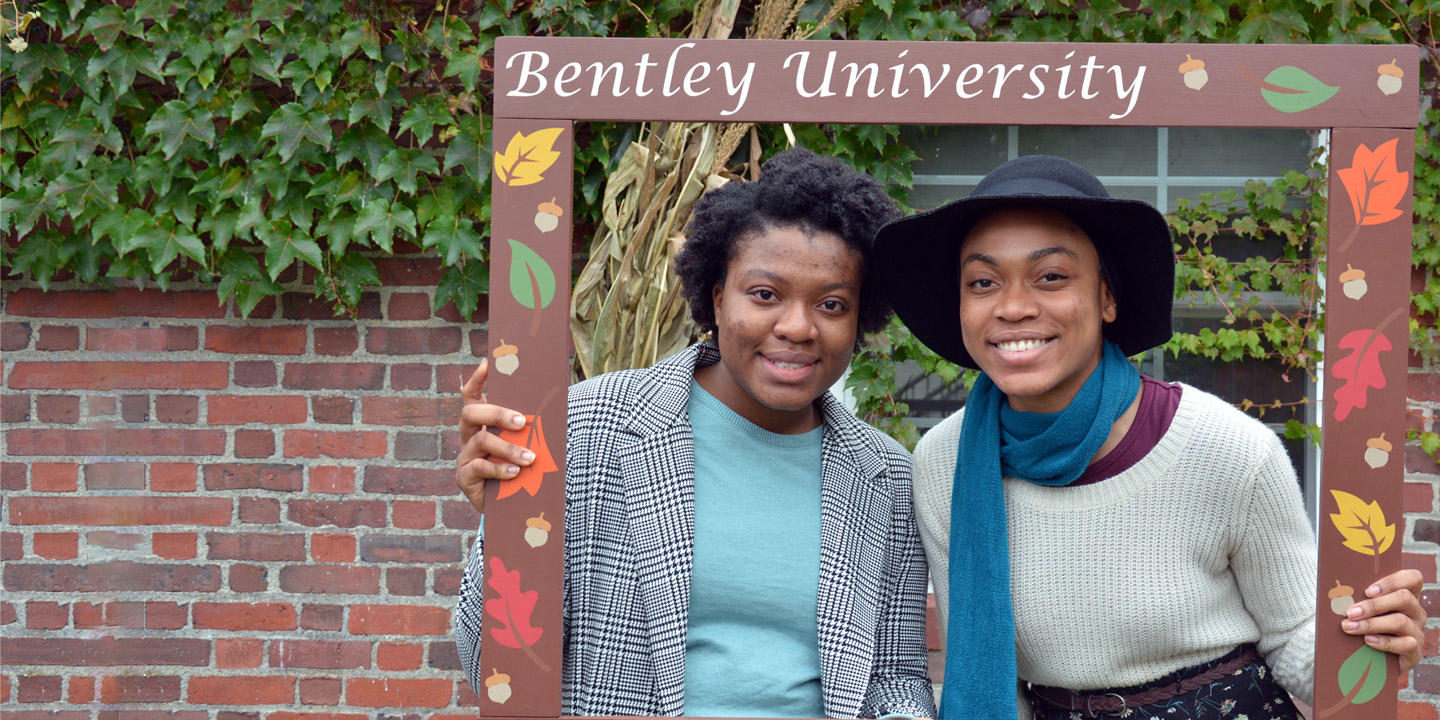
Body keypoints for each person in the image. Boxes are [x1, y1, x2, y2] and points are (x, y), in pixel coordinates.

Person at [872, 154, 1428, 720]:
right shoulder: (946, 463)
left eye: (1051, 277)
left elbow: (1293, 639)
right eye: (983, 282)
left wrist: (1374, 642)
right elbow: (994, 678)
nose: (1013, 307)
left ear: (1107, 297)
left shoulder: (1229, 450)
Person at [452, 148, 937, 718]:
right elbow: (491, 661)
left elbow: (895, 678)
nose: (797, 327)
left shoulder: (886, 476)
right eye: (765, 294)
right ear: (715, 295)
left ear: (860, 318)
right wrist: (502, 526)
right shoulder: (587, 429)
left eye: (832, 304)